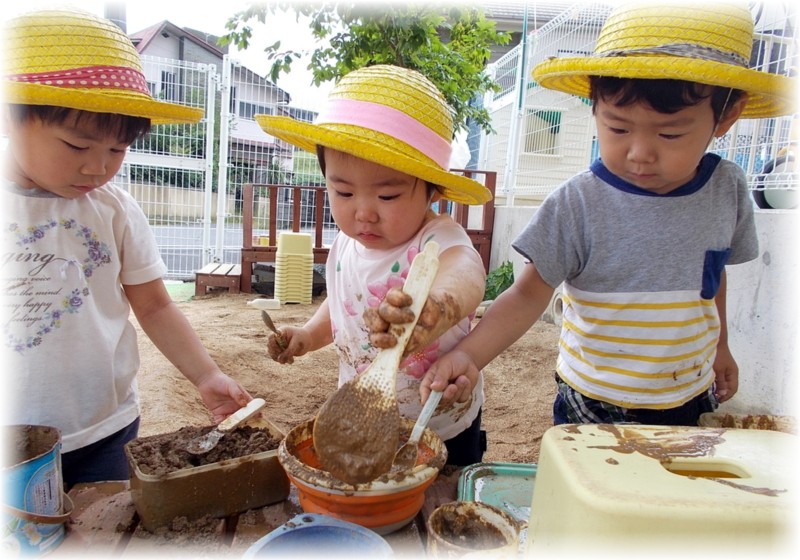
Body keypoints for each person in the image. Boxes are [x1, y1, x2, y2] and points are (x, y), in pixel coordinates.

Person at [420, 2, 796, 426]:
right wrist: (470, 354)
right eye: (617, 128)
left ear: (727, 115)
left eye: (670, 133)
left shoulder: (726, 189)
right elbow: (528, 294)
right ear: (594, 106)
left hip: (688, 393)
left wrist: (721, 345)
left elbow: (712, 276)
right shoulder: (576, 205)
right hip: (593, 400)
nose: (639, 154)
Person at [1, 8, 254, 488]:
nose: (98, 168)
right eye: (77, 146)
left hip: (102, 429)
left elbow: (156, 305)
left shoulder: (112, 208)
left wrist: (205, 376)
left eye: (117, 151)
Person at [255, 64, 493, 465]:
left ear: (431, 191)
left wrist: (436, 307)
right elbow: (343, 302)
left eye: (387, 197)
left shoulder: (436, 239)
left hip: (441, 420)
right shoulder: (345, 247)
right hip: (367, 417)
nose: (363, 213)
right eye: (344, 192)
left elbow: (467, 270)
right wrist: (309, 335)